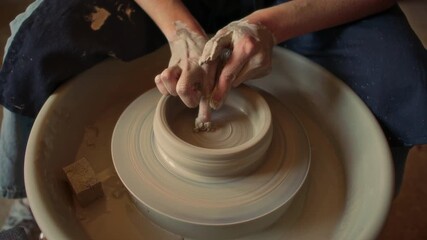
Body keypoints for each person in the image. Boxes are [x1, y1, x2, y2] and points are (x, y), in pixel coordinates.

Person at [0, 0, 426, 239]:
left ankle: (349, 216)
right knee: (35, 49)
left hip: (300, 5)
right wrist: (178, 28)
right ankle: (30, 204)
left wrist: (267, 25)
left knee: (405, 83)